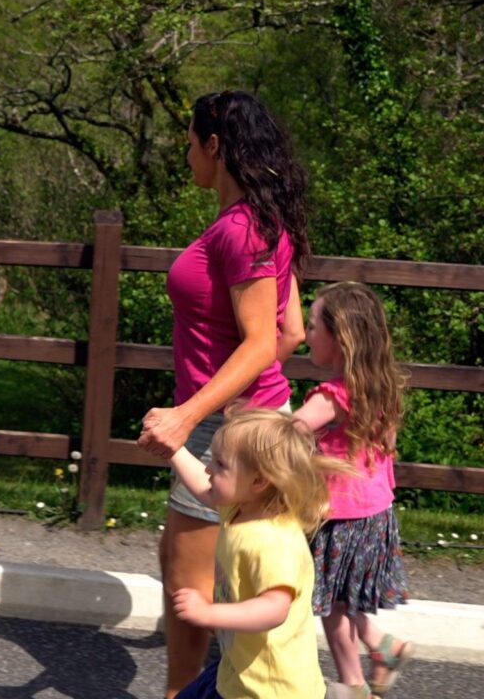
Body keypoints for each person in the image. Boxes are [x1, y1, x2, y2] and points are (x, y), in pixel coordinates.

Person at [137, 90, 310, 697]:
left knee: (190, 600)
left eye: (190, 143)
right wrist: (249, 405)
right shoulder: (260, 221)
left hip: (220, 430)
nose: (186, 155)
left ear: (215, 146)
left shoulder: (241, 230)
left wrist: (192, 414)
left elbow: (263, 340)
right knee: (207, 578)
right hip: (241, 423)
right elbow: (291, 331)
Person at [169, 408, 346, 699]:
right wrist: (172, 448)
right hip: (240, 671)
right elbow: (204, 487)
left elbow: (275, 609)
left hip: (270, 689)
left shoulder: (273, 541)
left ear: (258, 481)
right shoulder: (241, 509)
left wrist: (208, 613)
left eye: (221, 464)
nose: (209, 469)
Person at [292, 282, 414, 698]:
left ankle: (352, 684)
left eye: (311, 327)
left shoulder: (333, 396)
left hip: (339, 519)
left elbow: (289, 430)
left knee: (331, 607)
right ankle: (383, 647)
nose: (305, 335)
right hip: (376, 516)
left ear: (339, 339)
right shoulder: (380, 387)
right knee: (345, 600)